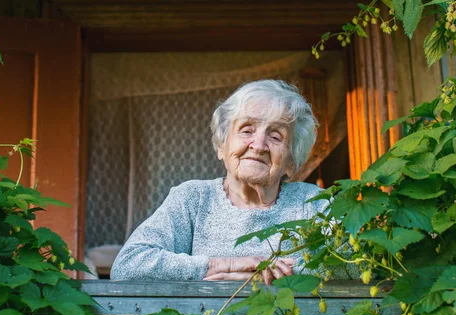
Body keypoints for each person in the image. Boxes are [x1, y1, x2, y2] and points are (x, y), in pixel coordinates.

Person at [111, 79, 327, 284]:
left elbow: (356, 263)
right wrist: (224, 265)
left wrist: (270, 275)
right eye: (247, 130)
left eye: (276, 136)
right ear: (222, 146)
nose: (259, 145)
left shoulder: (312, 202)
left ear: (291, 160)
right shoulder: (193, 199)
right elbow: (128, 265)